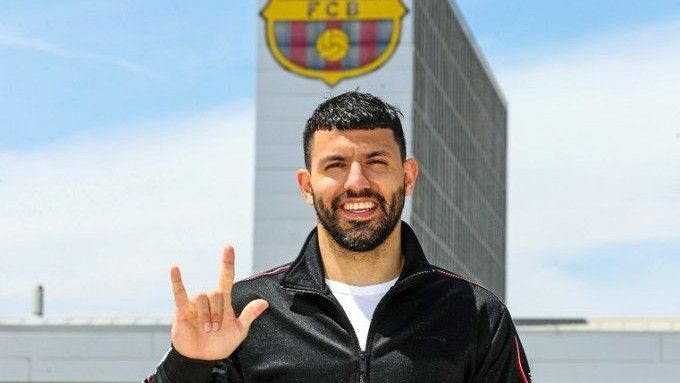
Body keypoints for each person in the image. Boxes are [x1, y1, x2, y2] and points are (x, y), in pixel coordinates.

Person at [144, 91, 532, 382]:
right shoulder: (247, 313)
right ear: (306, 185)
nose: (357, 182)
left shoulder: (474, 313)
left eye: (377, 162)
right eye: (336, 165)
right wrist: (188, 364)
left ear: (408, 176)